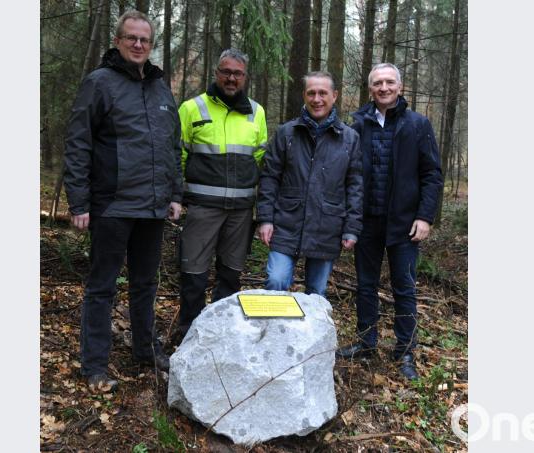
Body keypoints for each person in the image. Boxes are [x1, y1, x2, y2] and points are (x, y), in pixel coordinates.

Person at [63, 10, 183, 392]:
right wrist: (79, 202)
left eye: (144, 39)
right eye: (131, 37)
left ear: (151, 45)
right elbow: (78, 142)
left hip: (153, 208)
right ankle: (94, 366)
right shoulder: (99, 83)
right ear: (117, 41)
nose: (138, 44)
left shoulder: (161, 88)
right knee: (102, 286)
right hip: (112, 205)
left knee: (145, 283)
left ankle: (144, 350)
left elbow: (172, 146)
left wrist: (175, 194)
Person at [336, 63, 443, 381]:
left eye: (389, 82)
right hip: (367, 221)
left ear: (400, 86)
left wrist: (425, 216)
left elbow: (432, 174)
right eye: (377, 83)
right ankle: (366, 342)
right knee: (365, 285)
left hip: (404, 223)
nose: (384, 88)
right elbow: (348, 173)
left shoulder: (418, 125)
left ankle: (405, 351)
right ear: (370, 88)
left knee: (404, 288)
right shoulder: (358, 124)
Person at [176, 49, 268, 335]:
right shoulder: (192, 108)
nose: (231, 78)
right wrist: (176, 197)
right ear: (216, 73)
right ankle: (190, 331)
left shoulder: (257, 112)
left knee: (230, 274)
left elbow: (261, 161)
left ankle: (222, 333)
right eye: (226, 72)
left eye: (237, 73)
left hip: (241, 211)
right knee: (193, 272)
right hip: (202, 208)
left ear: (245, 77)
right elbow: (176, 158)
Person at [256, 71, 362, 297]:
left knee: (316, 293)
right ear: (304, 95)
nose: (317, 99)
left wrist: (351, 228)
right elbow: (269, 178)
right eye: (311, 93)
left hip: (327, 226)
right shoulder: (286, 133)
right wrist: (265, 219)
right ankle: (277, 322)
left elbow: (355, 187)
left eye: (323, 93)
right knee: (275, 282)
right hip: (286, 223)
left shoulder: (349, 138)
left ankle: (310, 323)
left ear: (334, 96)